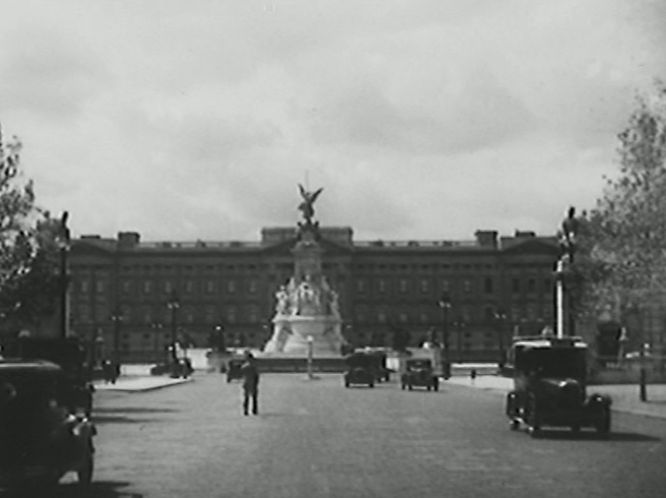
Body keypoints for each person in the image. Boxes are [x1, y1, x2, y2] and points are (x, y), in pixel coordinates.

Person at [240, 351, 260, 416]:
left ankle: (246, 411)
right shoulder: (254, 366)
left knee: (246, 397)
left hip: (246, 382)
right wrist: (256, 382)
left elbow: (242, 374)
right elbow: (256, 375)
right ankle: (254, 410)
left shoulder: (244, 366)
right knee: (254, 398)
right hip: (252, 382)